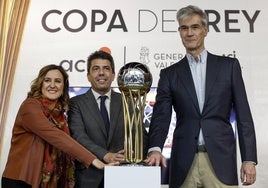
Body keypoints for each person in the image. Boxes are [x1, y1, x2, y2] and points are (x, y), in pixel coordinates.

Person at [145, 5, 257, 188]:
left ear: (205, 30)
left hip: (220, 162)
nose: (189, 33)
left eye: (195, 27)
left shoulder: (229, 67)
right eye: (184, 28)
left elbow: (244, 116)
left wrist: (249, 159)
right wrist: (155, 147)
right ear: (179, 32)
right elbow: (161, 116)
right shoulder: (169, 74)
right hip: (183, 163)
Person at [1, 64, 115, 188]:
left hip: (50, 181)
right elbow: (56, 136)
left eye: (58, 81)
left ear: (63, 87)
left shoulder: (60, 113)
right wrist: (94, 160)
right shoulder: (30, 106)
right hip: (22, 181)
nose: (52, 85)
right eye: (47, 80)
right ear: (40, 84)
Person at [67, 48, 125, 188]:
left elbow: (140, 133)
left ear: (113, 74)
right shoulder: (76, 103)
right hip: (88, 177)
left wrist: (132, 152)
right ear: (88, 75)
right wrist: (105, 155)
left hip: (122, 173)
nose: (101, 73)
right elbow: (78, 136)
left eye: (106, 68)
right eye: (96, 69)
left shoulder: (127, 101)